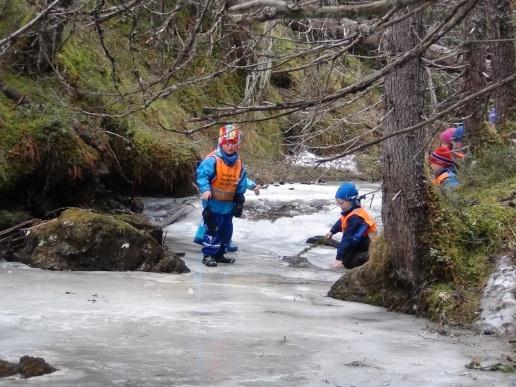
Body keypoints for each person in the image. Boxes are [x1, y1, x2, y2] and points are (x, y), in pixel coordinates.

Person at [196, 124, 248, 267]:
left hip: (228, 205)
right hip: (213, 203)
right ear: (221, 144)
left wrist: (240, 199)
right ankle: (208, 254)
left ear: (238, 145)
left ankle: (220, 253)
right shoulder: (213, 160)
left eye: (233, 144)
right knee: (213, 229)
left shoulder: (239, 163)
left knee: (226, 231)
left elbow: (241, 181)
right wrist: (205, 189)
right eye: (227, 144)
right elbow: (202, 176)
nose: (230, 147)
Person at [193, 176, 260, 251]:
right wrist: (205, 189)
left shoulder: (234, 168)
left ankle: (217, 239)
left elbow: (240, 177)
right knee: (212, 219)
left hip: (225, 199)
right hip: (214, 198)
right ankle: (206, 237)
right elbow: (204, 176)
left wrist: (253, 186)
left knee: (220, 221)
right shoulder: (213, 167)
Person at [325, 182, 377, 270]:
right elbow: (342, 221)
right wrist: (332, 231)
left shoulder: (355, 218)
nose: (339, 205)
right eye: (337, 202)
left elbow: (348, 238)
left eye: (341, 203)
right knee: (345, 255)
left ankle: (363, 260)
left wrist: (339, 258)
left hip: (363, 245)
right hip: (356, 242)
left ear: (351, 201)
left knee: (347, 262)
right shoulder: (350, 211)